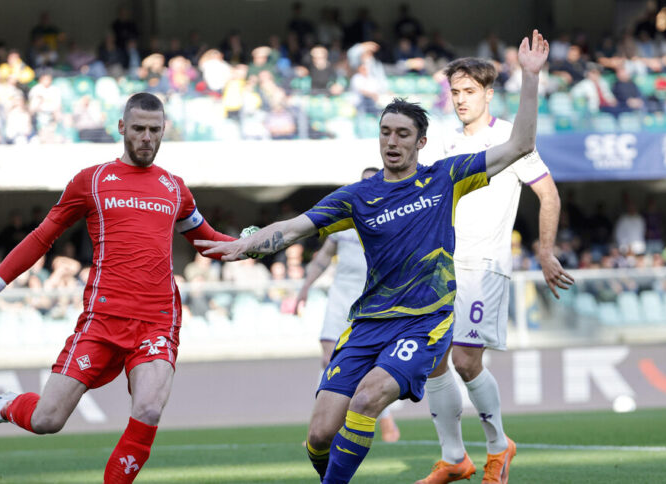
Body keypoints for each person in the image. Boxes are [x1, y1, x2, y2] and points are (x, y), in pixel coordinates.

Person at [196, 30, 551, 484]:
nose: (392, 141)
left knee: (368, 398)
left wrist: (530, 78)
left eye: (403, 134)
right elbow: (295, 227)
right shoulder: (357, 197)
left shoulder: (446, 177)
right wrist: (246, 243)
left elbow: (520, 144)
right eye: (385, 132)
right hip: (368, 322)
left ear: (421, 143)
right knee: (321, 434)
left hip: (425, 318)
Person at [0, 93, 236, 483]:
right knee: (47, 419)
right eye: (138, 129)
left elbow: (208, 242)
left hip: (157, 322)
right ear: (122, 128)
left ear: (164, 131)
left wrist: (250, 244)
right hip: (101, 321)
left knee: (148, 409)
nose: (147, 137)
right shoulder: (92, 181)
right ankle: (3, 407)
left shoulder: (175, 188)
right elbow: (40, 237)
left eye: (155, 130)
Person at [416, 57, 573, 484]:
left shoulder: (509, 138)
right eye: (455, 92)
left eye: (469, 92)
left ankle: (499, 447)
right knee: (433, 362)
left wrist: (545, 252)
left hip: (484, 265)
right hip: (440, 269)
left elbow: (549, 195)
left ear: (488, 93)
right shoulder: (442, 143)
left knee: (466, 361)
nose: (461, 100)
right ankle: (453, 458)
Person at [295, 166, 400, 443]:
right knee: (329, 359)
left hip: (372, 300)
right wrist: (304, 288)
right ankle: (325, 426)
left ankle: (383, 419)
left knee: (370, 366)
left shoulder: (392, 220)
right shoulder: (344, 221)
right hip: (341, 297)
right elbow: (323, 257)